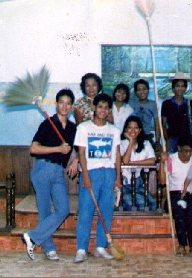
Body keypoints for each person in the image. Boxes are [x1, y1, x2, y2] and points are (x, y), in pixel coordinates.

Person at [22, 89, 78, 261]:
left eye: (68, 103)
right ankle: (49, 248)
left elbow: (76, 149)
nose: (64, 106)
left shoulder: (72, 128)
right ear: (56, 104)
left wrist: (76, 160)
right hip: (43, 169)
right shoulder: (47, 123)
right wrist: (57, 149)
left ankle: (31, 237)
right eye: (61, 102)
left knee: (63, 209)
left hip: (58, 172)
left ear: (71, 106)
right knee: (44, 211)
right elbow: (34, 148)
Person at [73, 93, 121, 263]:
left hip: (108, 173)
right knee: (86, 211)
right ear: (94, 108)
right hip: (91, 173)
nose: (103, 110)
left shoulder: (113, 130)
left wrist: (118, 177)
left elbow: (116, 153)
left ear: (109, 110)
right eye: (100, 107)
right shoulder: (84, 128)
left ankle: (101, 247)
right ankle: (81, 249)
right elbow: (81, 153)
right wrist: (85, 176)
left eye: (106, 107)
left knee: (106, 211)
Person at [159, 135, 192, 257]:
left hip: (189, 192)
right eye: (184, 151)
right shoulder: (171, 159)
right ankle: (182, 245)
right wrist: (162, 163)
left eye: (189, 151)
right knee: (180, 214)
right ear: (178, 148)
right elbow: (162, 181)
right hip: (175, 193)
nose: (187, 154)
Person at [120, 115, 156, 211]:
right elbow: (125, 161)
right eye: (130, 128)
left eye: (136, 128)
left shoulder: (146, 143)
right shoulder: (121, 143)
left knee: (151, 205)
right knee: (132, 206)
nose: (133, 131)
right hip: (123, 182)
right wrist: (131, 141)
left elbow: (152, 160)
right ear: (126, 129)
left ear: (140, 130)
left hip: (137, 182)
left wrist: (133, 163)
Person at [161, 72, 192, 153]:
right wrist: (167, 140)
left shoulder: (190, 103)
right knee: (169, 162)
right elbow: (163, 124)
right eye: (177, 86)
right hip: (171, 139)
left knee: (190, 162)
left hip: (186, 139)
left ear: (185, 88)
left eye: (182, 86)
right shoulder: (166, 104)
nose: (180, 88)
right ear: (173, 88)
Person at [129, 79, 161, 149]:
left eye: (144, 89)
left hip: (147, 136)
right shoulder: (131, 103)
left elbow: (157, 123)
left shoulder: (153, 104)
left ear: (148, 90)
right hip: (133, 136)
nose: (142, 92)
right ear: (135, 92)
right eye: (139, 90)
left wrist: (157, 141)